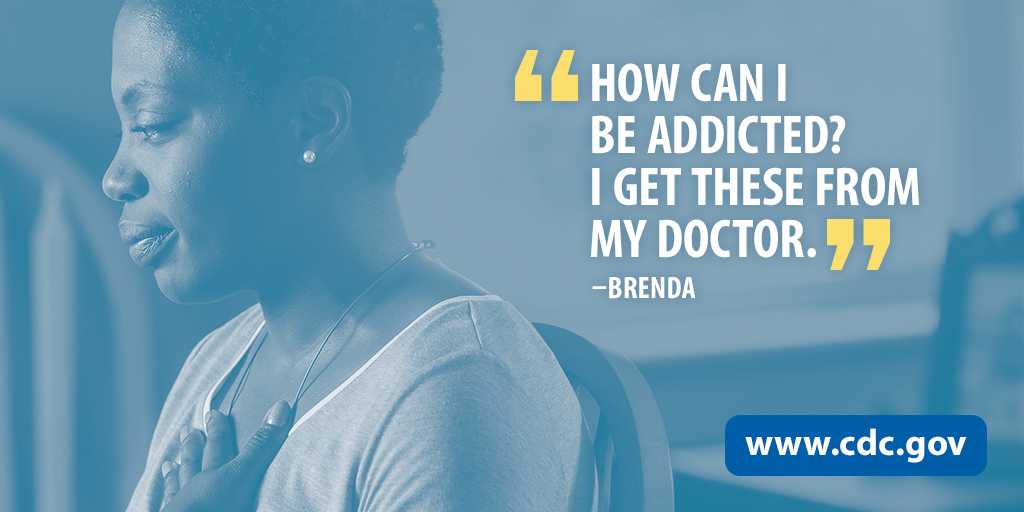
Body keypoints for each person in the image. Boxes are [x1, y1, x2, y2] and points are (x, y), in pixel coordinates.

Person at [102, 0, 594, 510]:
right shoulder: (218, 362)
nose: (114, 178)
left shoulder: (457, 384)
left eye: (151, 125)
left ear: (312, 122)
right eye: (123, 131)